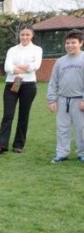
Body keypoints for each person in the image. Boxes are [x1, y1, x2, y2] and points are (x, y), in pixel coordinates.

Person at [0, 24, 42, 155]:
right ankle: (1, 145)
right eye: (22, 34)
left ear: (32, 35)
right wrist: (23, 68)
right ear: (19, 35)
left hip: (28, 85)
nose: (24, 37)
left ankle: (19, 144)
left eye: (27, 34)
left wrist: (17, 67)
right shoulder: (12, 50)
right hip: (12, 83)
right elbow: (8, 67)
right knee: (8, 115)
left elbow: (35, 66)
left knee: (23, 115)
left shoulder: (37, 50)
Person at [47, 29, 84, 163]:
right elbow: (53, 81)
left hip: (79, 100)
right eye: (67, 43)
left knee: (81, 129)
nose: (70, 45)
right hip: (63, 100)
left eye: (73, 42)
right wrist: (52, 99)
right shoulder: (60, 61)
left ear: (81, 43)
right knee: (62, 128)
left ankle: (82, 153)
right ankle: (62, 153)